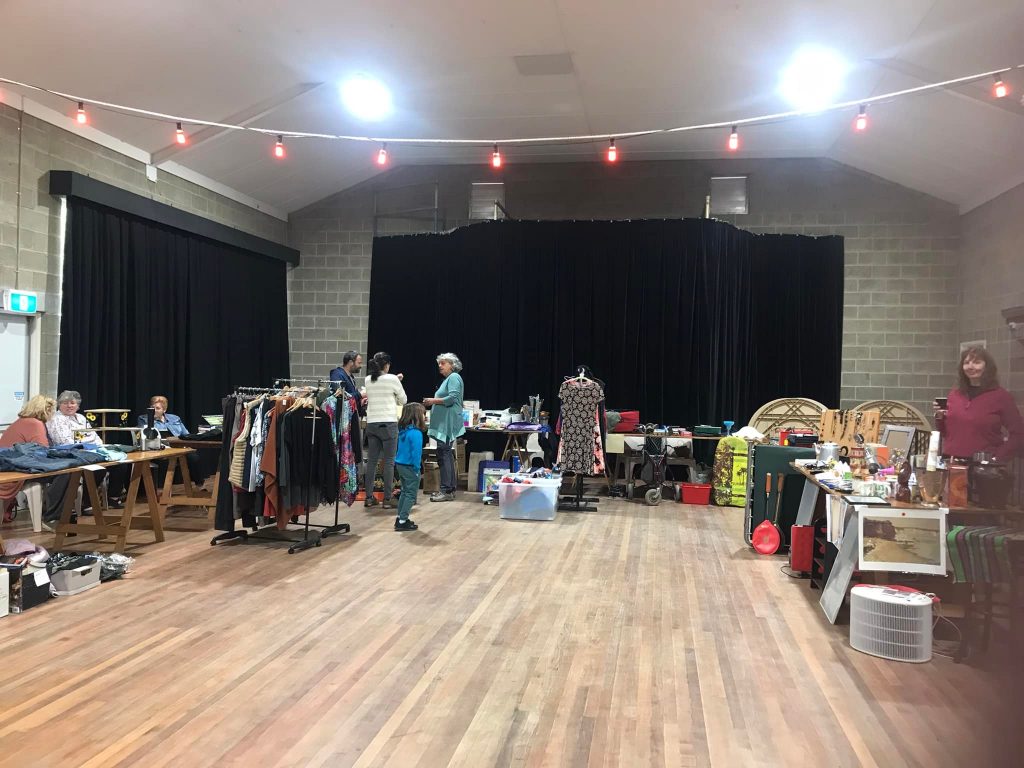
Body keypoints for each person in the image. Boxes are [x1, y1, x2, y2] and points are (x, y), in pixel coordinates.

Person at [935, 346, 1023, 461]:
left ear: (987, 366)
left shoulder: (1001, 396)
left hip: (982, 467)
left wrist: (997, 457)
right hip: (952, 462)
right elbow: (946, 432)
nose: (970, 367)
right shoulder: (955, 395)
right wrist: (940, 417)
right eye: (966, 363)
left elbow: (1019, 434)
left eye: (977, 362)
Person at [47, 390, 129, 508]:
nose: (69, 406)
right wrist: (88, 445)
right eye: (65, 403)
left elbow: (94, 437)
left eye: (72, 403)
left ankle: (113, 497)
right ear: (59, 404)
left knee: (120, 463)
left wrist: (98, 446)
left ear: (78, 405)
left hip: (91, 450)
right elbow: (65, 442)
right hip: (69, 453)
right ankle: (86, 502)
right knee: (97, 469)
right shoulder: (55, 419)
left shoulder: (81, 417)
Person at [0, 395, 61, 522]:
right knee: (65, 474)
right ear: (45, 410)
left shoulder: (20, 422)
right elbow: (42, 451)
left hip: (8, 464)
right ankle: (54, 516)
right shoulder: (35, 424)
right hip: (17, 468)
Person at [362, 352, 408, 508]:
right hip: (388, 423)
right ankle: (387, 499)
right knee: (389, 462)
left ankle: (369, 497)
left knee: (372, 462)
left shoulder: (368, 379)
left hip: (372, 423)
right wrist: (397, 383)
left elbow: (377, 388)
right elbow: (403, 400)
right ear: (387, 365)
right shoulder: (393, 379)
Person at [423, 352, 464, 502]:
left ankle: (446, 490)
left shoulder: (453, 377)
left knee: (444, 453)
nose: (440, 366)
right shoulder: (449, 379)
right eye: (439, 363)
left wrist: (433, 401)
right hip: (444, 422)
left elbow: (452, 398)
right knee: (444, 453)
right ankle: (449, 489)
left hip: (447, 423)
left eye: (443, 363)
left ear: (452, 365)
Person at [138, 395, 206, 484]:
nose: (154, 410)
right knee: (164, 461)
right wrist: (152, 421)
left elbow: (186, 435)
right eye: (152, 408)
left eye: (158, 408)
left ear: (164, 410)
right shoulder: (144, 419)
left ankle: (199, 484)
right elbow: (143, 436)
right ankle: (162, 491)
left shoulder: (175, 418)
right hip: (158, 449)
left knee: (194, 458)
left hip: (178, 448)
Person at [394, 403, 426, 531]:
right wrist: (417, 469)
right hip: (410, 467)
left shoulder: (403, 431)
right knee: (411, 494)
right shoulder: (416, 433)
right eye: (423, 414)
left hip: (400, 465)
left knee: (404, 491)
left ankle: (400, 518)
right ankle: (402, 520)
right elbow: (416, 453)